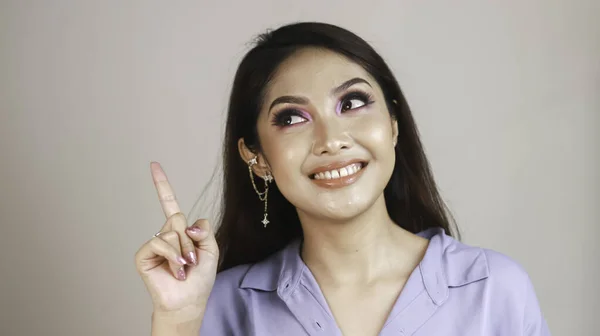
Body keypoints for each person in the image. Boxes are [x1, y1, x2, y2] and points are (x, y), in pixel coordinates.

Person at [135, 22, 550, 336]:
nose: (331, 141)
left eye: (352, 102)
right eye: (292, 118)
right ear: (257, 156)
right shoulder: (221, 305)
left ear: (391, 124)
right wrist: (179, 318)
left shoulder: (493, 289)